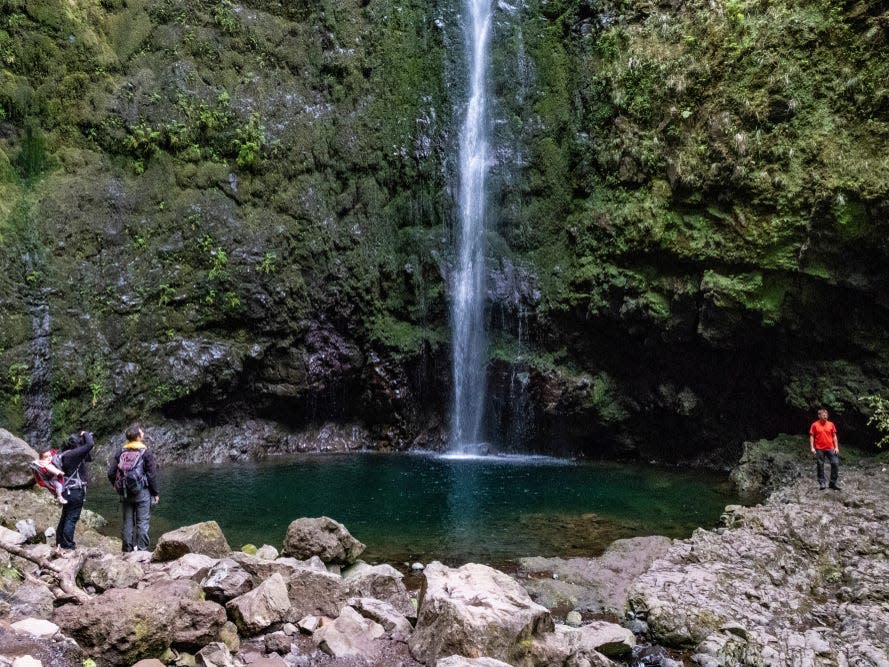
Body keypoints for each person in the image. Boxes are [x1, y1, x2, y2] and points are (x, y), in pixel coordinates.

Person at [107, 423, 159, 552]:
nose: (143, 434)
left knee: (127, 523)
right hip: (142, 492)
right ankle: (142, 551)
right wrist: (155, 493)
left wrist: (115, 484)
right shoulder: (145, 452)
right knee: (142, 523)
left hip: (125, 492)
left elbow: (111, 473)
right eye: (141, 433)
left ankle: (127, 550)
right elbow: (151, 475)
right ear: (137, 437)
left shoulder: (121, 451)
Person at [54, 430, 95, 554]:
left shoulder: (65, 454)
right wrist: (85, 434)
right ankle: (68, 545)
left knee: (65, 516)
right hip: (75, 491)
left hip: (67, 491)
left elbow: (88, 456)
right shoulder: (73, 455)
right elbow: (90, 445)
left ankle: (60, 542)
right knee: (71, 518)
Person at [809, 408, 841, 490]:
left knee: (835, 463)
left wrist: (836, 447)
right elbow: (812, 436)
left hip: (830, 448)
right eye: (823, 415)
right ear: (819, 415)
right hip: (819, 448)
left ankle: (832, 483)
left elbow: (834, 436)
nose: (825, 417)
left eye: (826, 415)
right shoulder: (814, 425)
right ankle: (822, 483)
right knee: (820, 465)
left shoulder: (831, 424)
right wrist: (812, 447)